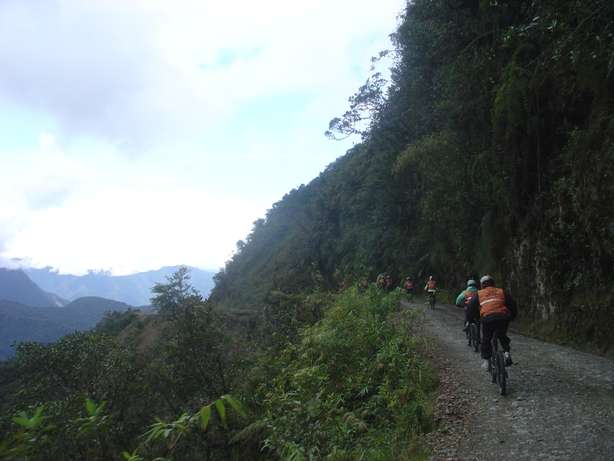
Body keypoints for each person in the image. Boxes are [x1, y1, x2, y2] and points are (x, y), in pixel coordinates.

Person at [467, 275, 517, 369]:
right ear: (493, 283)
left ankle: (486, 361)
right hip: (502, 317)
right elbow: (512, 304)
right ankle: (506, 353)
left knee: (486, 339)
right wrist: (512, 317)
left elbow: (470, 308)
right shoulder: (501, 291)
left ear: (482, 285)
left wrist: (470, 320)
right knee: (502, 335)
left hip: (488, 318)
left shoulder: (479, 294)